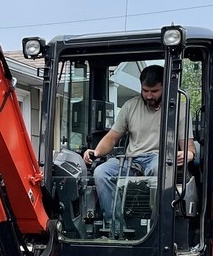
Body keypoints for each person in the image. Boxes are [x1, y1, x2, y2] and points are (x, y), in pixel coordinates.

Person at [82, 65, 194, 223]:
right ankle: (114, 225)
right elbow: (112, 137)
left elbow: (189, 147)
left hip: (158, 158)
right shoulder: (130, 106)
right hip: (131, 160)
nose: (148, 96)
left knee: (158, 168)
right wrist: (97, 152)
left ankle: (157, 224)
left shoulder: (180, 110)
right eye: (145, 90)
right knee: (101, 172)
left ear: (166, 87)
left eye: (154, 91)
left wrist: (188, 154)